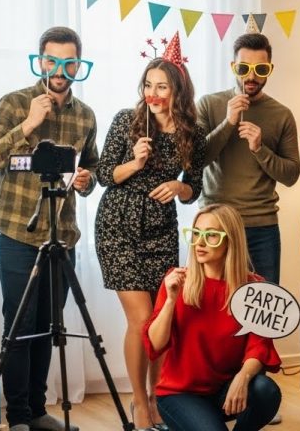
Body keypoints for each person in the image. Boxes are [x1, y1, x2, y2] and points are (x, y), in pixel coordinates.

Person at [0, 26, 98, 431]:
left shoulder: (85, 116)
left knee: (50, 325)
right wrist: (28, 124)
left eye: (69, 62)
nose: (60, 69)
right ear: (40, 60)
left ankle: (40, 410)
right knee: (19, 325)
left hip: (61, 235)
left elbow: (92, 166)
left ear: (78, 65)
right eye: (52, 60)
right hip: (15, 233)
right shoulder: (14, 104)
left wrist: (87, 180)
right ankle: (19, 418)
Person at [94, 52, 206, 431]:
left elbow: (195, 188)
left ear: (177, 90)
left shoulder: (192, 131)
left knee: (162, 318)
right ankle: (139, 402)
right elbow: (104, 174)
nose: (153, 93)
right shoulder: (127, 121)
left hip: (160, 229)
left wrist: (179, 186)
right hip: (118, 225)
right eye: (148, 85)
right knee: (141, 319)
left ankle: (158, 395)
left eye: (162, 86)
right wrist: (136, 163)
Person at [143, 204, 282, 431]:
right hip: (179, 394)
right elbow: (155, 345)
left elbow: (259, 345)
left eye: (211, 236)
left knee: (266, 391)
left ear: (230, 240)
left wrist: (243, 377)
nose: (200, 242)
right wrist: (170, 300)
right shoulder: (177, 280)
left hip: (223, 391)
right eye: (196, 234)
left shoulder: (255, 287)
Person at [196, 32, 300, 284]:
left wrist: (259, 149)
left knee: (263, 308)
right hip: (215, 225)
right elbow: (196, 159)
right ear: (233, 66)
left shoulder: (282, 114)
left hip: (261, 227)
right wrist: (229, 122)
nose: (251, 76)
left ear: (270, 69)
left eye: (260, 69)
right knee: (214, 304)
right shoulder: (209, 104)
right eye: (243, 68)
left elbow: (291, 175)